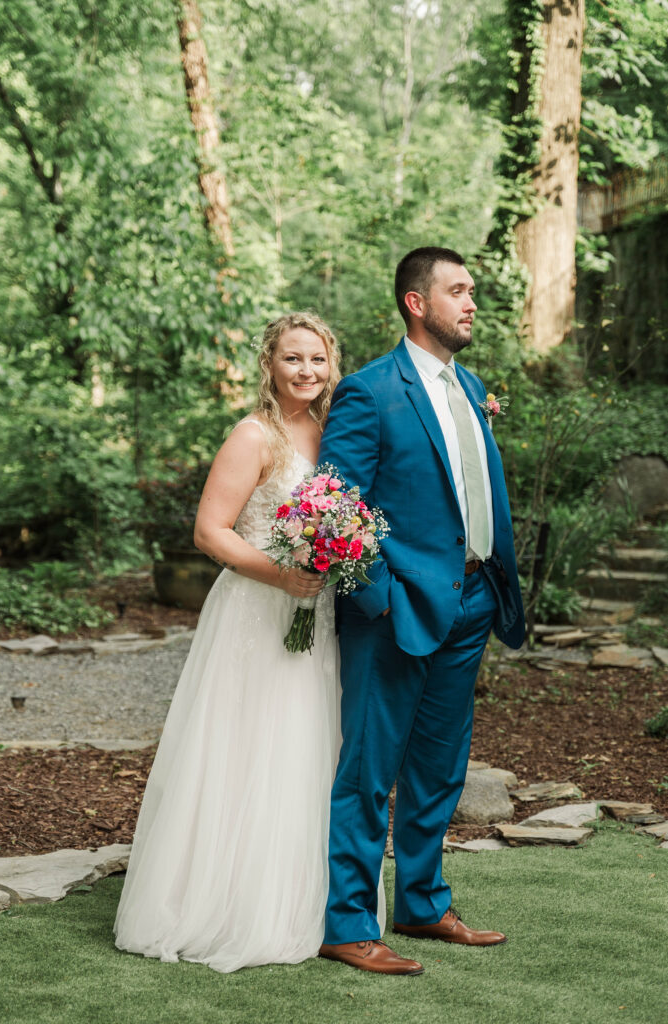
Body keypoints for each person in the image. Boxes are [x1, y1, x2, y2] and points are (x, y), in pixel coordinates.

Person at [317, 246, 526, 976]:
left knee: (439, 767)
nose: (472, 303)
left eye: (472, 292)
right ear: (416, 301)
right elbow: (332, 507)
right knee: (368, 771)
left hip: (470, 603)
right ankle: (346, 922)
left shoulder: (469, 387)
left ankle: (422, 902)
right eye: (458, 291)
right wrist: (378, 598)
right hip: (393, 611)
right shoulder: (370, 392)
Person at [114, 312, 344, 973]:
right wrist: (283, 574)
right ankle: (220, 902)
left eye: (318, 360)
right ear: (269, 364)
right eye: (293, 359)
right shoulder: (253, 434)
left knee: (302, 746)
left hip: (313, 613)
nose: (307, 371)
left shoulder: (331, 432)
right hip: (257, 610)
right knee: (247, 747)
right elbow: (210, 531)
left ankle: (294, 900)